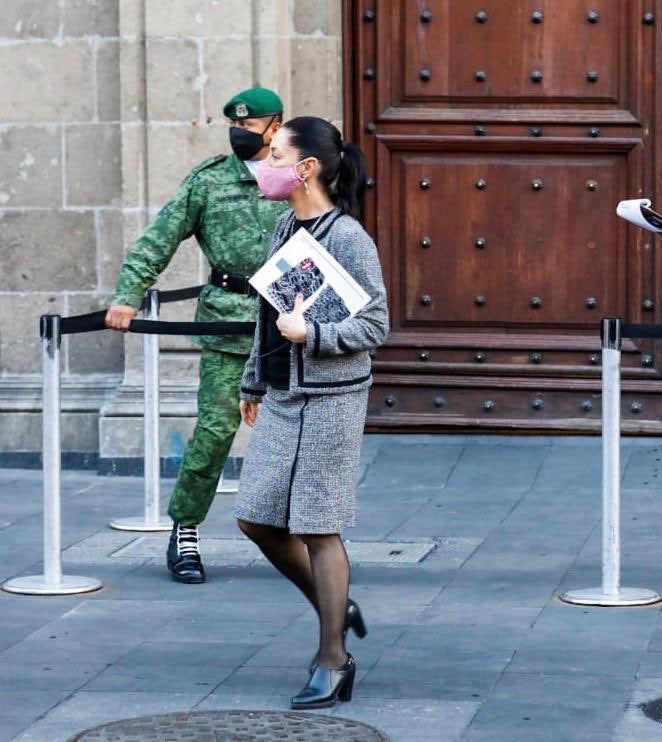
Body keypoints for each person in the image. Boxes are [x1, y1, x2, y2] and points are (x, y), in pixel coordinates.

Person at [235, 116, 389, 709]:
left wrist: (314, 334)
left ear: (306, 168)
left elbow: (376, 325)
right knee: (256, 519)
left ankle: (333, 659)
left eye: (274, 153)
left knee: (318, 526)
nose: (262, 163)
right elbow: (266, 312)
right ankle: (336, 603)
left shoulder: (348, 237)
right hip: (281, 395)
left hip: (332, 398)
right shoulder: (282, 226)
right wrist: (254, 379)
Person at [105, 88, 289, 584]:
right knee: (212, 433)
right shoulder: (208, 182)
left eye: (250, 126)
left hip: (291, 324)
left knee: (299, 438)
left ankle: (305, 537)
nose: (240, 132)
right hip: (228, 324)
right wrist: (128, 296)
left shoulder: (296, 175)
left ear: (276, 126)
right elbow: (158, 239)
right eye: (234, 124)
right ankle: (185, 529)